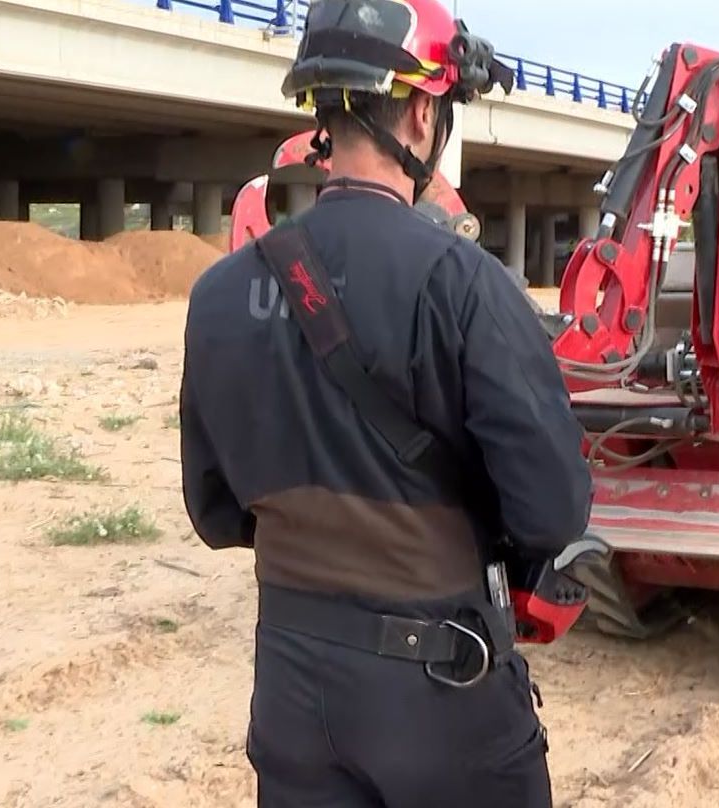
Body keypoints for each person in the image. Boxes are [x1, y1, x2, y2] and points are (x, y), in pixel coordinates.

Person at [178, 1, 592, 805]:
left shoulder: (219, 294)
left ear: (325, 108)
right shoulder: (464, 283)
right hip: (442, 697)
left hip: (294, 694)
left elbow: (216, 511)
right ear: (421, 110)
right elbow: (551, 512)